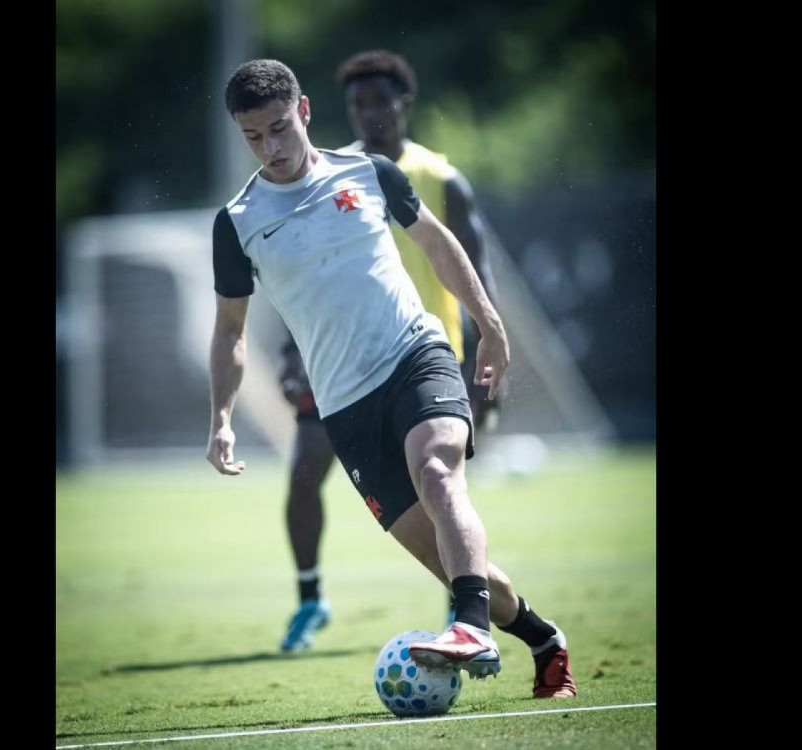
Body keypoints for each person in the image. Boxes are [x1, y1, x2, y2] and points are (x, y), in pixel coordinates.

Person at [207, 59, 575, 698]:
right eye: (253, 137)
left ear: (304, 111)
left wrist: (489, 324)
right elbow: (230, 331)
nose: (270, 148)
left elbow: (437, 242)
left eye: (279, 128)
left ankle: (469, 628)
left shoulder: (370, 173)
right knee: (450, 561)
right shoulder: (237, 222)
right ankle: (544, 640)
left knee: (437, 470)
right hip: (345, 407)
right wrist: (221, 418)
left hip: (416, 355)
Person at [276, 50, 502, 654]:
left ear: (405, 104)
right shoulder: (332, 174)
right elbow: (302, 273)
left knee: (437, 484)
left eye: (379, 101)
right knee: (304, 471)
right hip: (339, 362)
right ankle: (310, 599)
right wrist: (289, 350)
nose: (368, 112)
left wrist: (488, 358)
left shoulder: (441, 178)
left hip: (426, 358)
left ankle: (465, 606)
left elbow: (474, 268)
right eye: (357, 103)